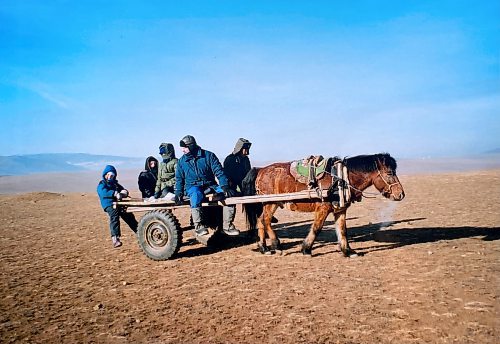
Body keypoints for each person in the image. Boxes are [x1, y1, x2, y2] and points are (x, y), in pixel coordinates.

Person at [174, 135, 239, 237]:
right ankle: (199, 227)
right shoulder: (182, 162)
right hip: (193, 187)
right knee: (196, 195)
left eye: (184, 147)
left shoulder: (208, 156)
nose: (182, 150)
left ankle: (227, 226)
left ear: (191, 146)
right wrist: (178, 193)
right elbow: (179, 179)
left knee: (229, 194)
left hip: (210, 185)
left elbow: (219, 172)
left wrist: (225, 186)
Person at [97, 165, 138, 248]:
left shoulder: (115, 184)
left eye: (112, 175)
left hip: (118, 204)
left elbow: (123, 190)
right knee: (114, 216)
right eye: (109, 175)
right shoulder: (102, 184)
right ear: (105, 175)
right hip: (109, 204)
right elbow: (103, 193)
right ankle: (115, 238)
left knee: (129, 216)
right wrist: (114, 193)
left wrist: (124, 192)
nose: (110, 177)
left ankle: (140, 232)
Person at [223, 138, 252, 233]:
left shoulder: (246, 160)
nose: (247, 151)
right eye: (245, 149)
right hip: (231, 184)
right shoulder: (230, 159)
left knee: (255, 196)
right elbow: (226, 174)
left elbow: (248, 173)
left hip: (245, 184)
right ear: (240, 148)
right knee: (230, 199)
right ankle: (227, 225)